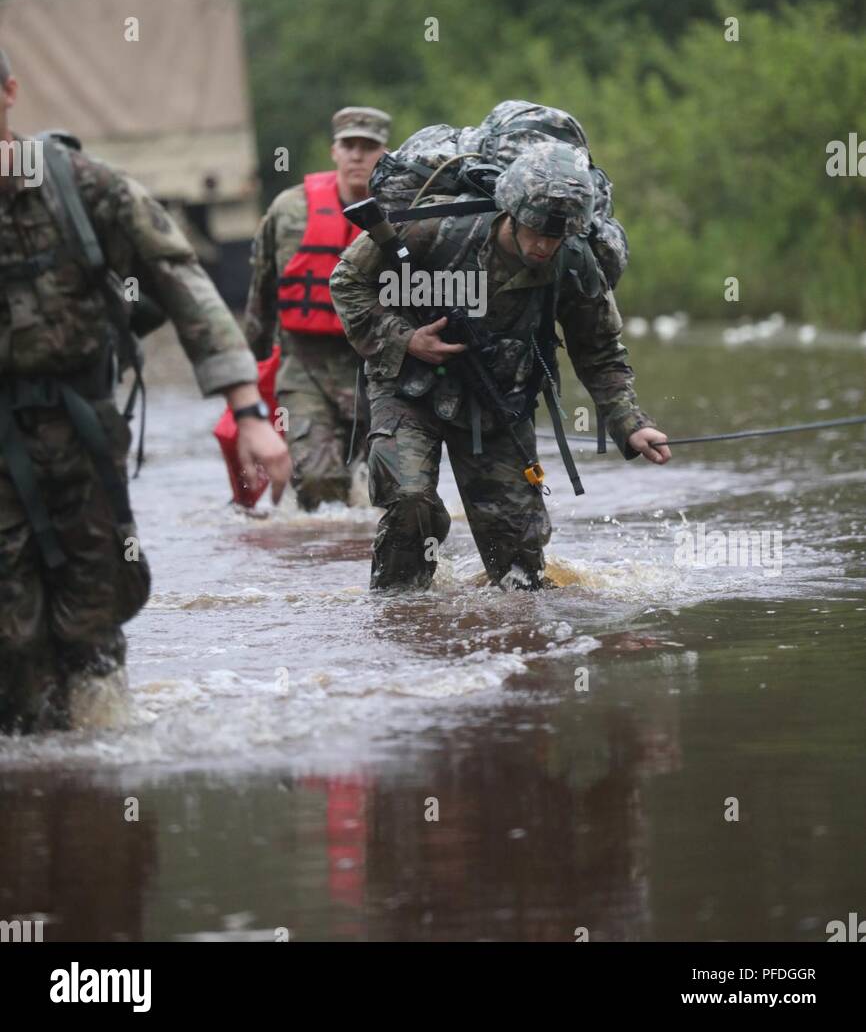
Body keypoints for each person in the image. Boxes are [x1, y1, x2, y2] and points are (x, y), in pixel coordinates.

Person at [0, 48, 289, 733]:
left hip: (81, 429)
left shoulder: (81, 186)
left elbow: (183, 284)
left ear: (10, 92)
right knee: (11, 633)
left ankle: (101, 788)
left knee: (94, 613)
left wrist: (248, 412)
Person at [330, 141, 671, 591]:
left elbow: (600, 350)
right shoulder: (437, 226)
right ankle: (400, 616)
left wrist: (630, 423)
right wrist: (406, 339)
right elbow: (348, 281)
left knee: (519, 570)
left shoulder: (573, 261)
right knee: (410, 500)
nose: (544, 245)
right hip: (408, 388)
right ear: (510, 211)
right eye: (535, 230)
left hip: (496, 402)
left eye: (557, 236)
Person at [244, 107, 390, 511]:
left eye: (369, 146)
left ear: (385, 152)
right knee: (318, 479)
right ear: (334, 151)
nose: (358, 155)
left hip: (377, 368)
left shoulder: (401, 212)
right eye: (349, 145)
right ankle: (322, 564)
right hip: (305, 366)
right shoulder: (289, 210)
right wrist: (246, 374)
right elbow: (262, 291)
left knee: (383, 488)